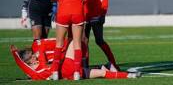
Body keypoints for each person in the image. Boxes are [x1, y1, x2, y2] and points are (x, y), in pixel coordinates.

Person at [10, 39, 140, 80]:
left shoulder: (33, 71)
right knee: (74, 41)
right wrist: (41, 51)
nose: (34, 55)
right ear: (30, 62)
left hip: (69, 74)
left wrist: (15, 52)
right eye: (31, 56)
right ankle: (98, 65)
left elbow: (21, 63)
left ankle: (130, 75)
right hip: (68, 66)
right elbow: (23, 65)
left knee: (103, 73)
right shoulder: (36, 71)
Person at [49, 0, 88, 80]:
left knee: (59, 43)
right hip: (77, 11)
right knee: (77, 43)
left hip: (64, 11)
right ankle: (77, 73)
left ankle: (55, 72)